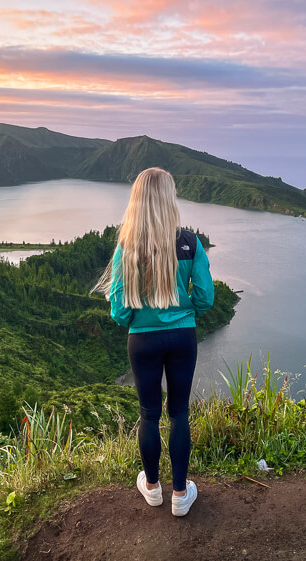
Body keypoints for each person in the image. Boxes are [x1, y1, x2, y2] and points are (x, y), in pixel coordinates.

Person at [94, 167, 214, 517]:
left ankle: (151, 487)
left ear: (138, 201)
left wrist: (141, 321)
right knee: (178, 413)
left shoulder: (126, 246)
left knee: (149, 413)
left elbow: (119, 310)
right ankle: (180, 494)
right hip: (182, 337)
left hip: (142, 342)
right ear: (169, 199)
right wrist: (182, 314)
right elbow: (205, 297)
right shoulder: (189, 243)